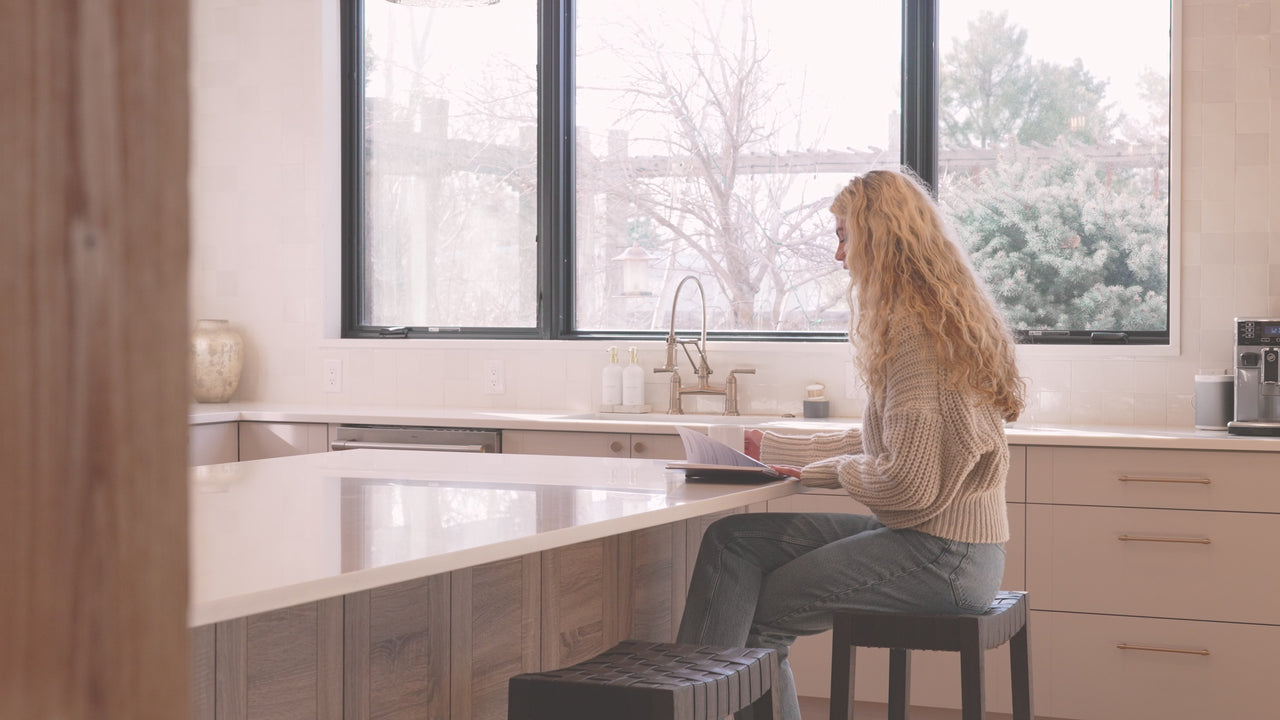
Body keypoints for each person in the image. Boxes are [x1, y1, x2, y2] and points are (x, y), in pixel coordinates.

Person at [674, 168, 1026, 720]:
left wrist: (826, 473)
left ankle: (695, 702)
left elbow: (906, 485)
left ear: (881, 240)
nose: (839, 256)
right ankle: (693, 700)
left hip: (943, 558)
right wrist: (768, 448)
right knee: (733, 539)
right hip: (944, 545)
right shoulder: (936, 319)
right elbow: (885, 445)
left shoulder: (916, 334)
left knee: (762, 617)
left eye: (844, 236)